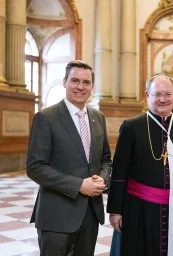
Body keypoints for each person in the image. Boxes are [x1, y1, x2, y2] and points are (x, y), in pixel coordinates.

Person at [26, 60, 112, 256]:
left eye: (86, 82)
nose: (80, 87)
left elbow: (106, 159)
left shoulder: (98, 117)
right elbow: (35, 167)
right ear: (64, 82)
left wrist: (103, 178)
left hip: (90, 215)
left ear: (92, 86)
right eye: (74, 80)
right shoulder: (46, 117)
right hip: (57, 215)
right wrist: (79, 185)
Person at [107, 73, 173, 256]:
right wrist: (116, 210)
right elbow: (119, 172)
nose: (163, 99)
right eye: (157, 94)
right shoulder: (132, 126)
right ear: (148, 95)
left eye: (168, 94)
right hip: (138, 208)